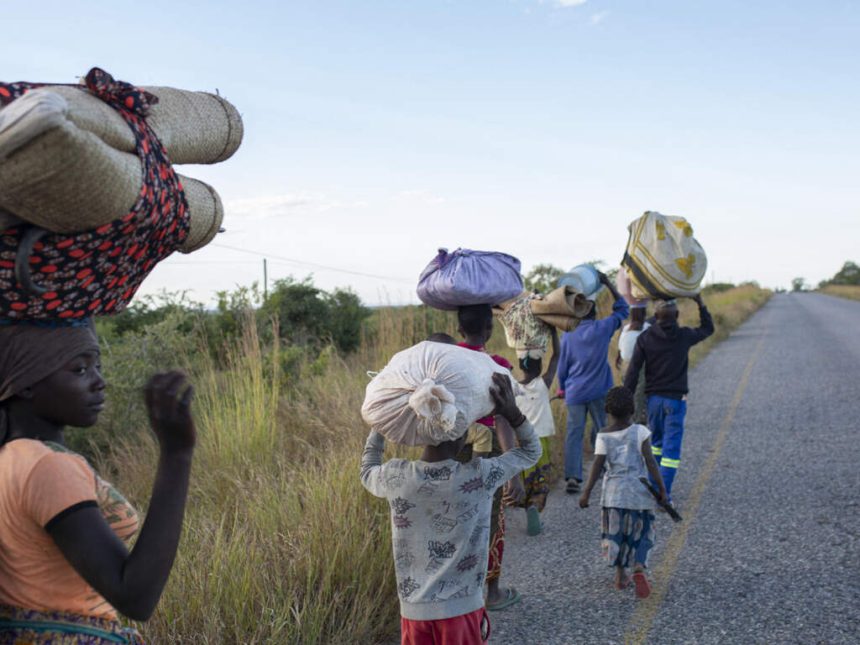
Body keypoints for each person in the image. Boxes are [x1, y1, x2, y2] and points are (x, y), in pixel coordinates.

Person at [0, 322, 196, 644]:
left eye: (97, 367)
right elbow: (135, 596)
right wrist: (177, 456)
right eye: (79, 370)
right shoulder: (49, 467)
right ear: (26, 384)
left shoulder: (12, 456)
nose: (99, 382)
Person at [360, 373, 541, 645]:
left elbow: (367, 470)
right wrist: (512, 413)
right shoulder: (478, 477)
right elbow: (530, 452)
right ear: (463, 437)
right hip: (462, 611)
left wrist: (381, 426)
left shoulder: (397, 477)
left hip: (413, 612)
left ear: (420, 435)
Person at [456, 304, 524, 611]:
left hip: (452, 452)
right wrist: (514, 471)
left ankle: (458, 592)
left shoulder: (445, 361)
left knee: (458, 519)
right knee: (492, 520)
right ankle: (492, 593)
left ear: (459, 331)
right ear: (489, 329)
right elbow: (503, 420)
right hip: (490, 454)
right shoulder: (497, 367)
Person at [578, 386, 667, 599]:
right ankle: (638, 566)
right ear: (633, 409)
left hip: (613, 496)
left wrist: (586, 493)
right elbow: (651, 462)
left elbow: (597, 466)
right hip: (639, 494)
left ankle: (620, 577)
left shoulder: (602, 436)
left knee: (617, 535)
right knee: (643, 532)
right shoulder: (641, 432)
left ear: (607, 411)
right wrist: (662, 488)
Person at [623, 295, 714, 500]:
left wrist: (625, 398)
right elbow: (708, 329)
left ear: (655, 316)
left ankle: (656, 488)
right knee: (671, 450)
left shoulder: (644, 339)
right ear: (678, 315)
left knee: (655, 444)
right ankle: (664, 493)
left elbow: (633, 372)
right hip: (675, 401)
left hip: (654, 401)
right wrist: (700, 303)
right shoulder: (684, 336)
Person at [557, 271, 629, 494]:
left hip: (575, 393)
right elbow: (623, 309)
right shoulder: (603, 328)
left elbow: (563, 368)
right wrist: (607, 282)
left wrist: (562, 387)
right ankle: (613, 471)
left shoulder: (568, 336)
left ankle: (573, 477)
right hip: (600, 392)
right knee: (604, 430)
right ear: (595, 313)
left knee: (574, 434)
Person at [510, 327, 559, 536]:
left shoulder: (513, 388)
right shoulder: (543, 384)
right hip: (541, 443)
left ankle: (526, 504)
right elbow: (558, 356)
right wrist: (554, 332)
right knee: (541, 478)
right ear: (540, 367)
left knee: (526, 477)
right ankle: (535, 508)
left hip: (521, 442)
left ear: (521, 366)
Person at [616, 305, 650, 425]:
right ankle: (638, 418)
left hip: (626, 364)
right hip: (641, 363)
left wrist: (618, 360)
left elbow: (620, 348)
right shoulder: (647, 328)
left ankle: (626, 419)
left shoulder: (625, 328)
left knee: (628, 390)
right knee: (639, 393)